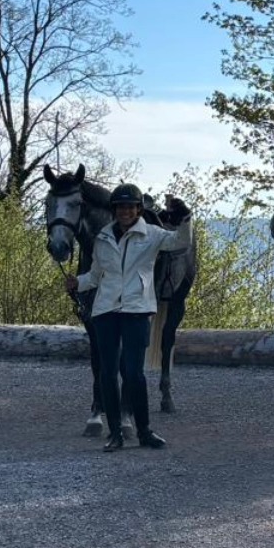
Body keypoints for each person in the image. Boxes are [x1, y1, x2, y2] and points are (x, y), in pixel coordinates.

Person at [65, 185, 193, 452]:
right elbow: (96, 275)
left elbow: (181, 242)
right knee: (108, 374)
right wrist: (77, 283)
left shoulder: (153, 234)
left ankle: (144, 430)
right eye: (121, 207)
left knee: (134, 373)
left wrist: (185, 219)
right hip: (106, 312)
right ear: (115, 210)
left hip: (137, 311)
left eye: (130, 207)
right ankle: (115, 434)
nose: (125, 212)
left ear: (138, 210)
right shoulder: (102, 238)